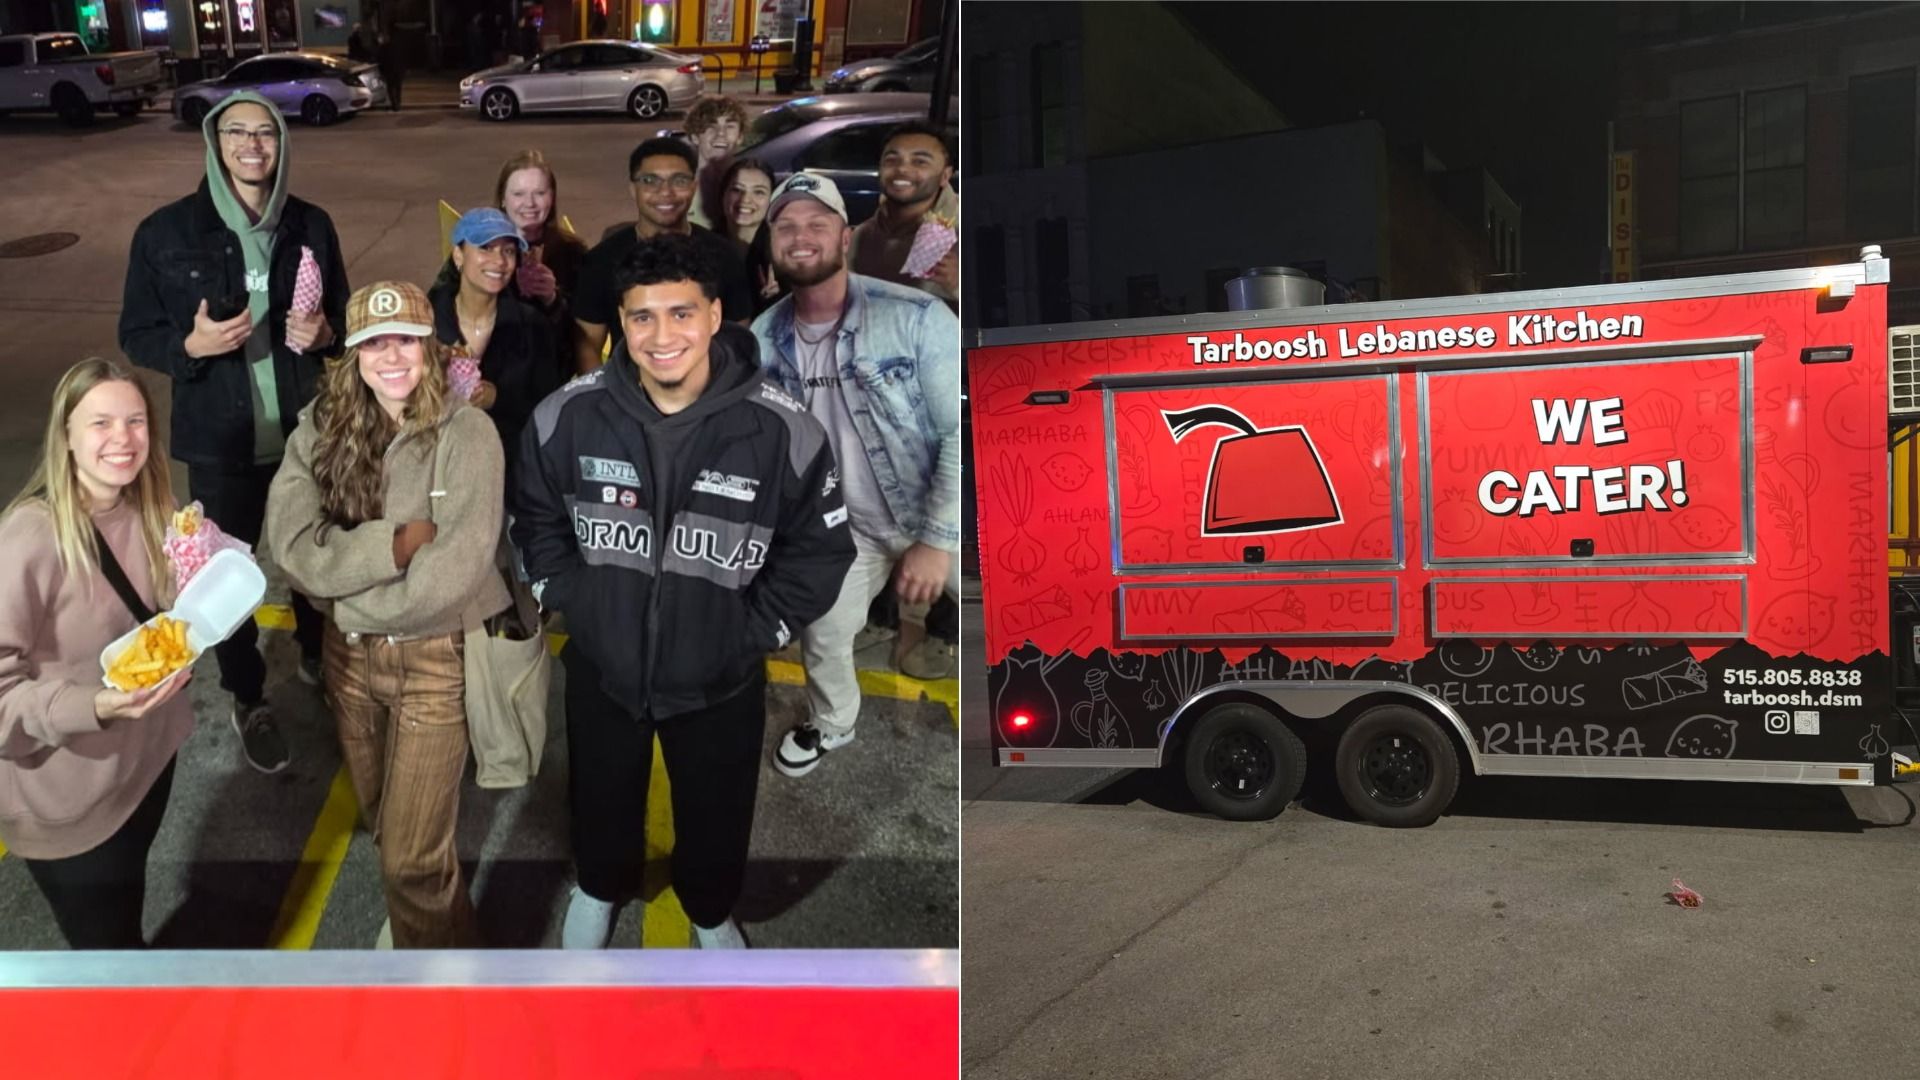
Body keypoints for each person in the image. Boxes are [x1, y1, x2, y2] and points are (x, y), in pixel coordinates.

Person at [512, 234, 853, 950]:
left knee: (717, 808)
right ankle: (601, 888)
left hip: (721, 675)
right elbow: (535, 521)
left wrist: (751, 632)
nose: (661, 336)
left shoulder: (783, 428)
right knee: (600, 797)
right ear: (621, 324)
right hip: (605, 669)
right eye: (641, 317)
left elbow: (819, 550)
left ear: (716, 314)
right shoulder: (563, 418)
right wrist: (573, 599)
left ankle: (708, 908)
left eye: (680, 313)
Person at [265, 281, 509, 949]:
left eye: (404, 338)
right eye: (374, 343)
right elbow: (289, 545)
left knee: (411, 858)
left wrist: (342, 585)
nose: (391, 356)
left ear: (431, 349)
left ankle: (441, 991)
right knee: (384, 821)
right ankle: (426, 920)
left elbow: (451, 574)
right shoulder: (321, 426)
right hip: (348, 663)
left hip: (434, 662)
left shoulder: (468, 434)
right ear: (353, 355)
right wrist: (395, 543)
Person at [119, 91, 347, 775]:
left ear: (283, 143)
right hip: (220, 445)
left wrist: (329, 332)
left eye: (266, 133)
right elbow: (135, 333)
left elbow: (341, 314)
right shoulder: (165, 233)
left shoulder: (312, 225)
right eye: (238, 133)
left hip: (306, 437)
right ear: (215, 145)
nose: (253, 146)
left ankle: (316, 658)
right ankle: (248, 695)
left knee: (314, 565)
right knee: (229, 581)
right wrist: (188, 346)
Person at [749, 173, 960, 777]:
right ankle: (833, 724)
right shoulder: (763, 338)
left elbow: (955, 433)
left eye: (817, 224)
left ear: (845, 238)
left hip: (944, 514)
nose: (801, 237)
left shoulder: (915, 316)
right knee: (824, 632)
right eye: (786, 226)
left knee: (1017, 621)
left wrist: (935, 541)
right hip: (849, 529)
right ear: (771, 244)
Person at [0, 358, 193, 949]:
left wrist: (200, 580)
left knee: (127, 910)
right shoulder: (30, 538)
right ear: (65, 436)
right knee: (109, 955)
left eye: (135, 421)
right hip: (72, 802)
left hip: (145, 766)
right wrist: (97, 706)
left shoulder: (153, 505)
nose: (123, 440)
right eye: (100, 423)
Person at [571, 137, 754, 374]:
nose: (665, 192)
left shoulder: (724, 256)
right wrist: (603, 400)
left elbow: (738, 341)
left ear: (694, 187)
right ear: (632, 189)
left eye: (679, 181)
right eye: (650, 181)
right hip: (629, 399)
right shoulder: (602, 261)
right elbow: (587, 345)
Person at [430, 207, 561, 484]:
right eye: (485, 248)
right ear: (458, 255)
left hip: (509, 473)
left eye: (508, 251)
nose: (499, 261)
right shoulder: (426, 321)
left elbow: (550, 405)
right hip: (437, 468)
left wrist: (499, 399)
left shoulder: (532, 326)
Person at [432, 150, 586, 374]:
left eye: (539, 193)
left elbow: (585, 331)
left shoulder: (573, 252)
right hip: (481, 371)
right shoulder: (476, 241)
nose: (529, 203)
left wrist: (552, 299)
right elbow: (439, 301)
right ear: (503, 199)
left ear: (552, 197)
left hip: (545, 375)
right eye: (518, 194)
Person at [850, 121, 958, 311]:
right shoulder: (861, 236)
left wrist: (959, 286)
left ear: (945, 176)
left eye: (920, 162)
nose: (902, 169)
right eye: (891, 160)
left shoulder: (974, 227)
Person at [682, 95, 748, 231]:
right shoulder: (679, 191)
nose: (721, 134)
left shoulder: (752, 188)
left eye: (730, 126)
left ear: (740, 136)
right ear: (694, 137)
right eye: (711, 127)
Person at [377, 33, 404, 111]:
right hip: (398, 71)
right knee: (398, 88)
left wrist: (382, 72)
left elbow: (380, 60)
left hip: (389, 71)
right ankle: (398, 103)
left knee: (391, 88)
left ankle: (395, 104)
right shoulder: (397, 47)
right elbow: (402, 58)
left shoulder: (382, 48)